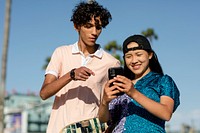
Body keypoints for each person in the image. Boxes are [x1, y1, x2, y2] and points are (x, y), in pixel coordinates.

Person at [39, 1, 120, 133]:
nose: (94, 32)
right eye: (89, 26)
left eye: (98, 27)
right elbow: (44, 93)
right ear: (77, 26)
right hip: (58, 129)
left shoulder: (111, 63)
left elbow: (112, 109)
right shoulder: (61, 53)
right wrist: (71, 75)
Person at [98, 34, 180, 132]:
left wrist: (133, 92)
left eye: (139, 54)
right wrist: (104, 102)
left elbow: (166, 113)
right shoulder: (121, 84)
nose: (134, 61)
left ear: (150, 55)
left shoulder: (163, 81)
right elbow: (104, 119)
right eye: (129, 56)